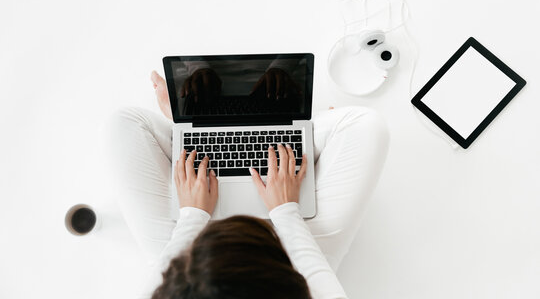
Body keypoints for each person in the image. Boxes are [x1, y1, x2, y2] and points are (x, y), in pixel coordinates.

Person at [105, 70, 389, 298]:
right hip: (292, 250)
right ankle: (272, 125)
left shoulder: (173, 288)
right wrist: (286, 210)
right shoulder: (305, 288)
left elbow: (172, 278)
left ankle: (206, 125)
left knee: (122, 122)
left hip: (194, 255)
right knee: (365, 125)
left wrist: (193, 214)